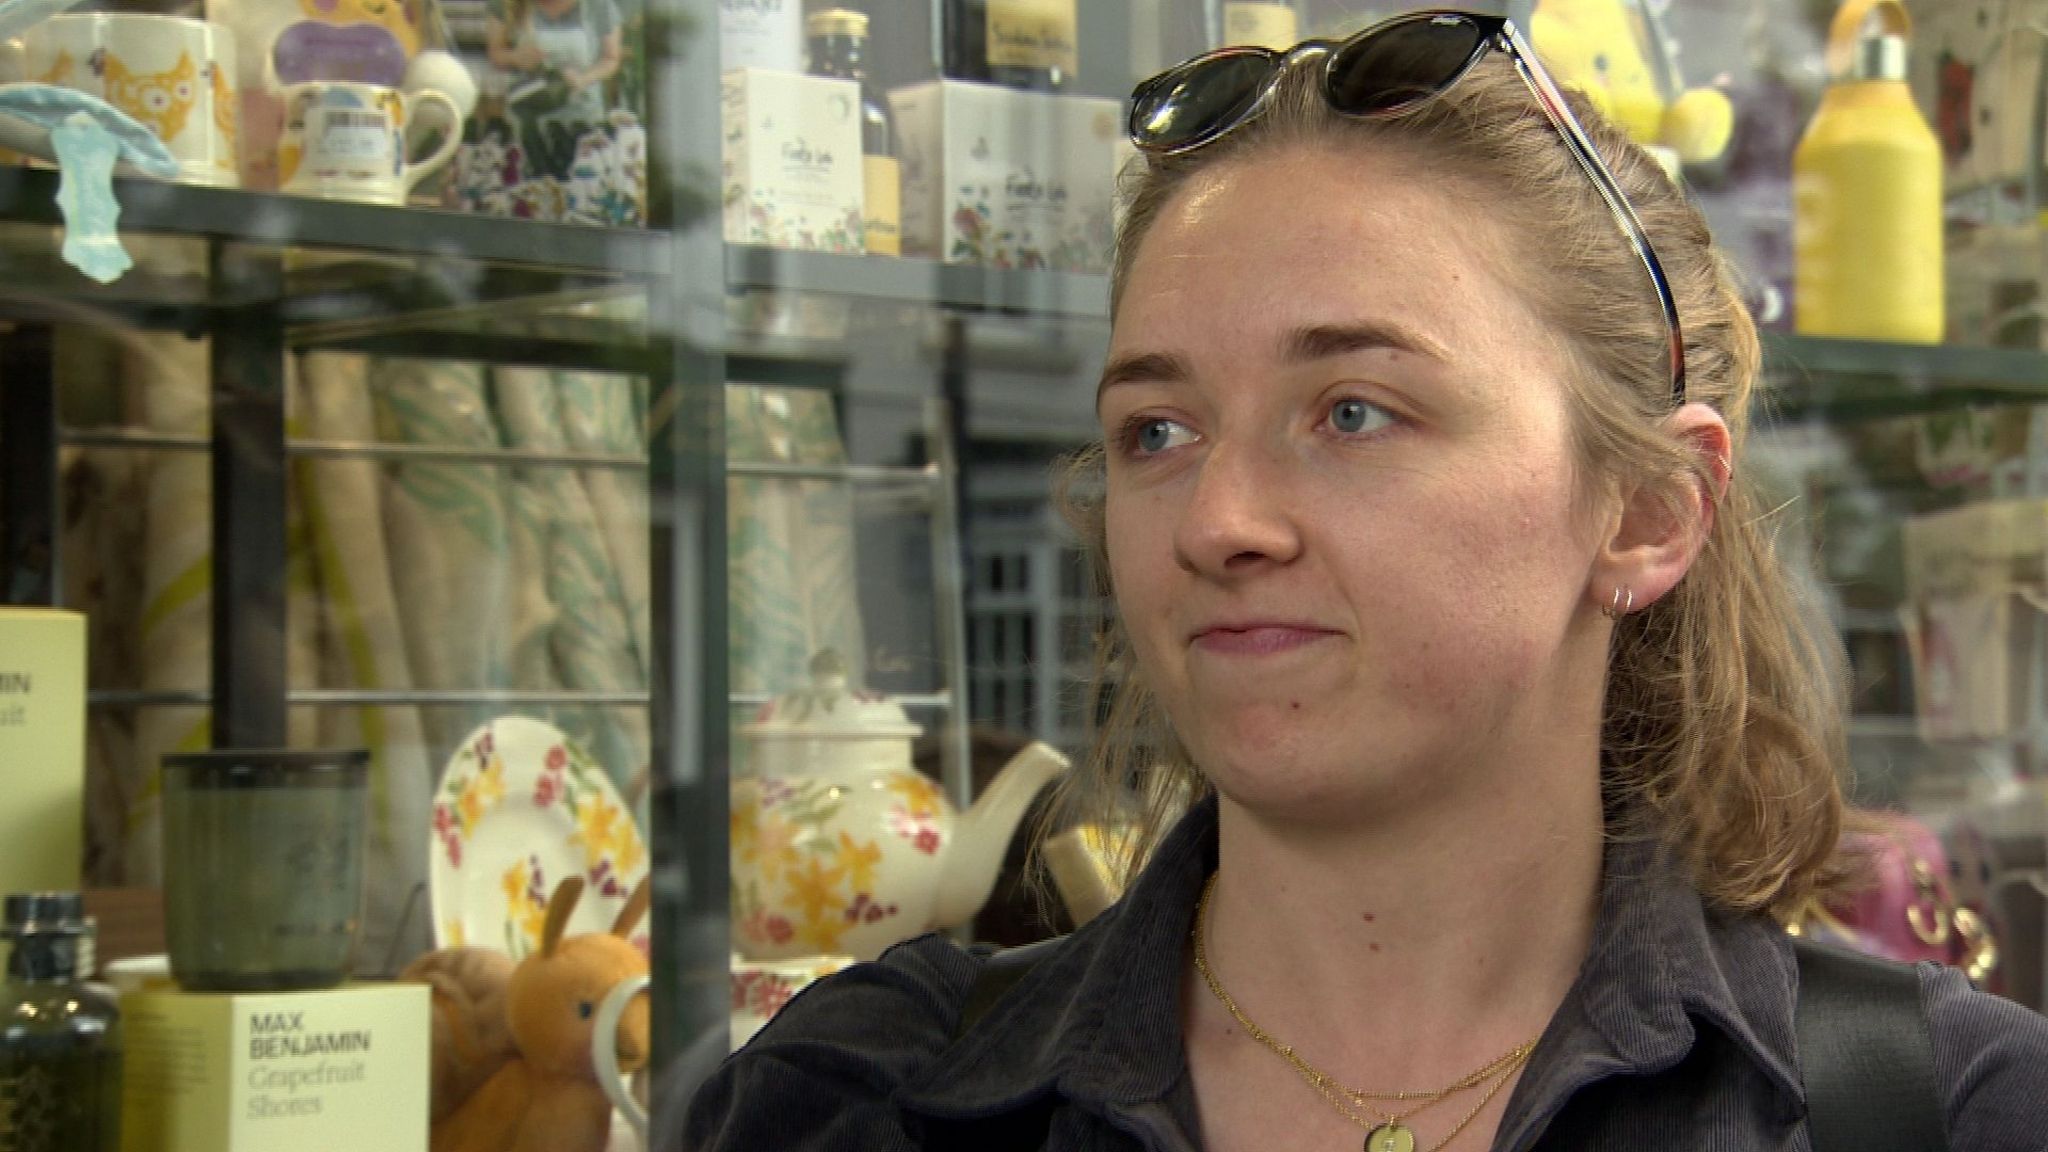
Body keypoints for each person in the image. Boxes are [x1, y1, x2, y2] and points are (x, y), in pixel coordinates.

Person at [680, 11, 2048, 1150]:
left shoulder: (1939, 1113)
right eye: (1158, 430)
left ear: (1645, 510)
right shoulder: (857, 1104)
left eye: (1353, 412)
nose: (1218, 519)